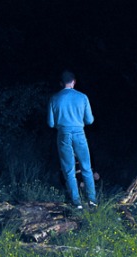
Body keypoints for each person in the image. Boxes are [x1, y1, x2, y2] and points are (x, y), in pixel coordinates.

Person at [47, 70, 98, 209]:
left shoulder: (54, 98)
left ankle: (77, 203)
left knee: (69, 170)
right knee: (86, 168)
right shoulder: (83, 97)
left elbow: (51, 123)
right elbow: (90, 120)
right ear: (74, 82)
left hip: (63, 135)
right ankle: (92, 201)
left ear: (61, 83)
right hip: (79, 134)